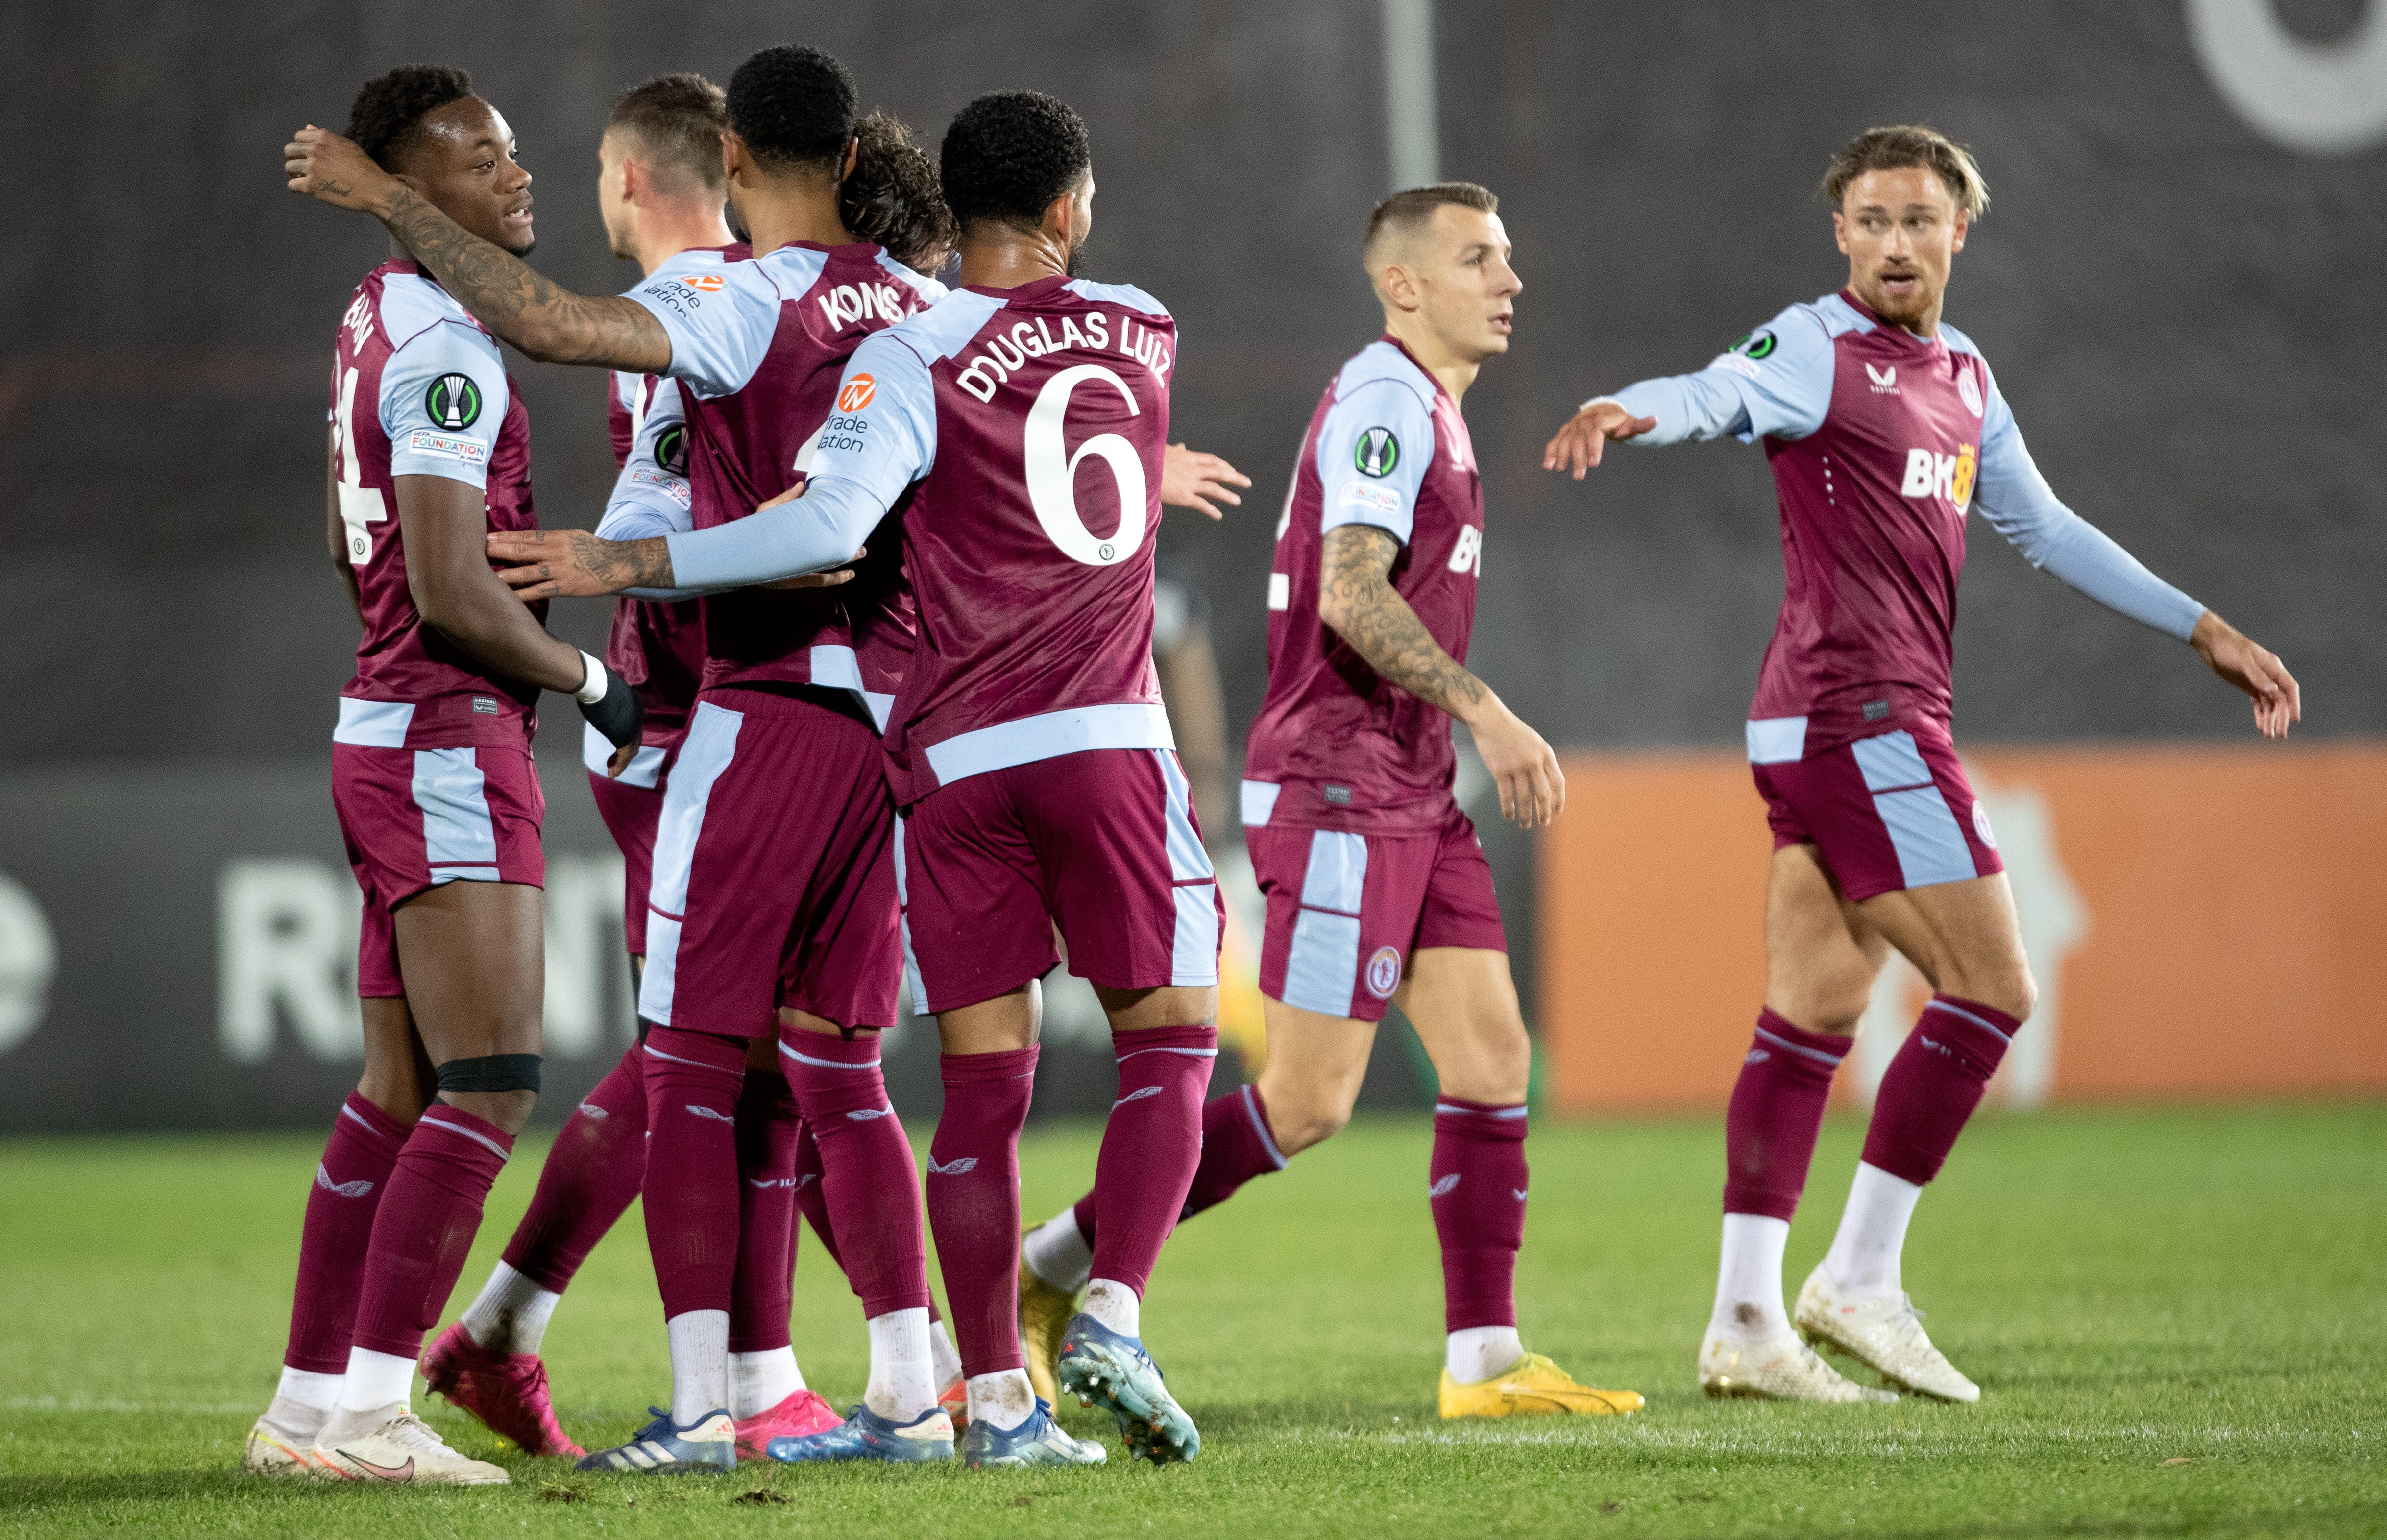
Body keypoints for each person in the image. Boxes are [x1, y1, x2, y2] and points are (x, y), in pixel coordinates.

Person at [484, 89, 1227, 1472]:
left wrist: (620, 562)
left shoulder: (897, 341)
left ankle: (915, 1398)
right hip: (1057, 737)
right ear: (1067, 207)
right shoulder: (1142, 326)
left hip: (919, 749)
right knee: (1159, 1043)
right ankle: (1076, 1324)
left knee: (848, 1073)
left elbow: (824, 524)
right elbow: (1048, 435)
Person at [284, 44, 967, 1474]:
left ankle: (644, 1367)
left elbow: (556, 346)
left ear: (711, 169)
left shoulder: (706, 301)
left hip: (715, 706)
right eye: (488, 161)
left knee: (711, 1055)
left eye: (545, 162)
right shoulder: (906, 302)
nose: (525, 180)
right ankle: (843, 1376)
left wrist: (616, 586)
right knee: (780, 1057)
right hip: (833, 719)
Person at [1539, 124, 2300, 1403]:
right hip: (1863, 720)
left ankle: (1744, 1321)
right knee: (1993, 986)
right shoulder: (1814, 346)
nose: (1896, 241)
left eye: (1919, 220)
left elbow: (2044, 529)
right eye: (1874, 220)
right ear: (1842, 234)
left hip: (1825, 724)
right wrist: (1638, 411)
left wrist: (2203, 625)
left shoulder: (1964, 376)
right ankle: (1861, 1281)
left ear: (1960, 233)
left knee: (1813, 1018)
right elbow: (1722, 389)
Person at [1017, 182, 1644, 1422]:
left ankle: (1484, 1363)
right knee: (1307, 1103)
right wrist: (1491, 712)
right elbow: (1352, 596)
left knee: (1493, 1057)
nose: (1509, 280)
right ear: (1403, 285)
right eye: (1478, 259)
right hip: (1344, 786)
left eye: (1508, 257)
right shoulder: (1383, 403)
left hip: (1413, 789)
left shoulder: (1439, 413)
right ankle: (1047, 1269)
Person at [248, 64, 646, 1488]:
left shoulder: (379, 315)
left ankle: (306, 1407)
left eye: (515, 150)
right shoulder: (448, 348)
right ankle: (367, 1412)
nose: (517, 176)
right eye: (479, 161)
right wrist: (595, 683)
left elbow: (376, 564)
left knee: (396, 1096)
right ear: (413, 192)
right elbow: (450, 588)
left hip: (387, 728)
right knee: (487, 1085)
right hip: (443, 735)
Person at [421, 71, 826, 1464]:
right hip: (700, 717)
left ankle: (522, 1331)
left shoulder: (711, 304)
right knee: (727, 1050)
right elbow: (689, 512)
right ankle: (750, 1370)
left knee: (743, 1049)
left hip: (696, 712)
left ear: (627, 181)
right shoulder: (726, 306)